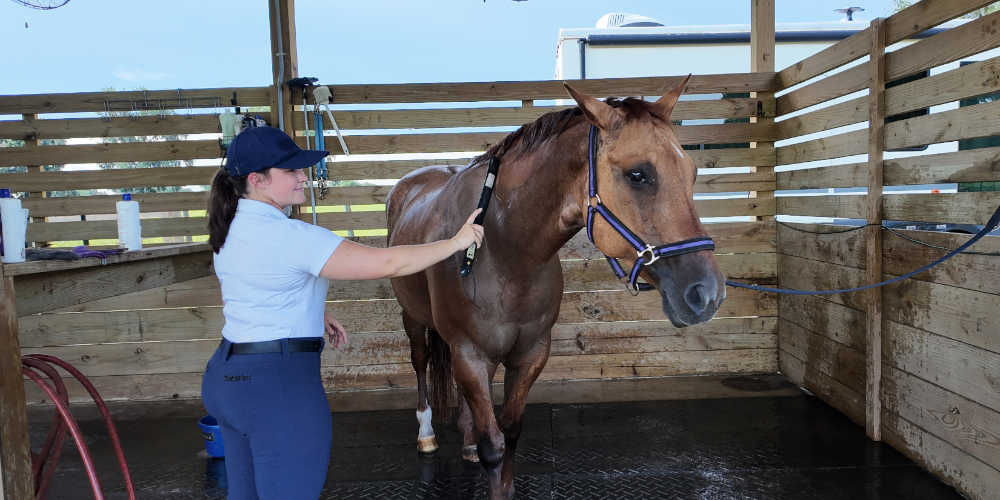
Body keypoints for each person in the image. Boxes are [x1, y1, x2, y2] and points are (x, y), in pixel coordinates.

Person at [201, 126, 483, 499]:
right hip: (277, 388)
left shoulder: (229, 226)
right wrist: (456, 242)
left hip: (227, 379)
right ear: (257, 180)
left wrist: (313, 313)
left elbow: (247, 290)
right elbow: (389, 263)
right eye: (292, 172)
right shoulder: (294, 237)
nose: (304, 177)